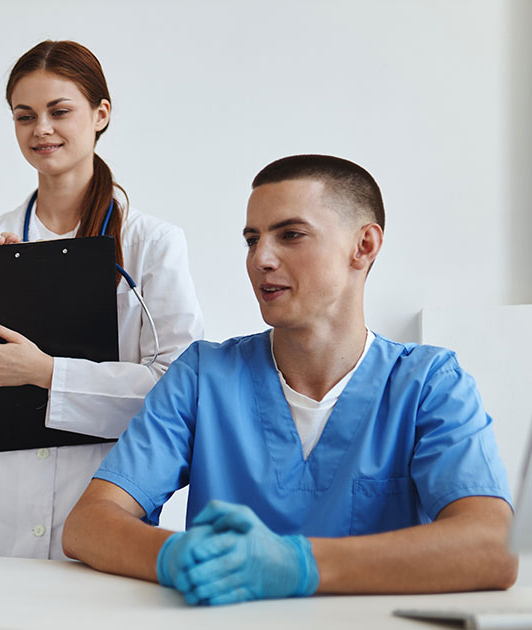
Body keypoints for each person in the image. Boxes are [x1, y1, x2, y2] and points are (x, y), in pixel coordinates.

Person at [63, 154, 518, 604]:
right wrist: (175, 554)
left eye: (291, 235)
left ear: (364, 246)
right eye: (251, 239)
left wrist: (298, 564)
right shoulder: (203, 377)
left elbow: (492, 547)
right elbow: (88, 524)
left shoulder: (429, 385)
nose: (261, 258)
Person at [0, 40, 204, 561]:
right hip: (1, 513)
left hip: (103, 501)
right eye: (24, 115)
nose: (42, 130)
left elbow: (177, 391)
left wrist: (47, 372)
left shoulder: (152, 243)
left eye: (60, 111)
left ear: (100, 114)